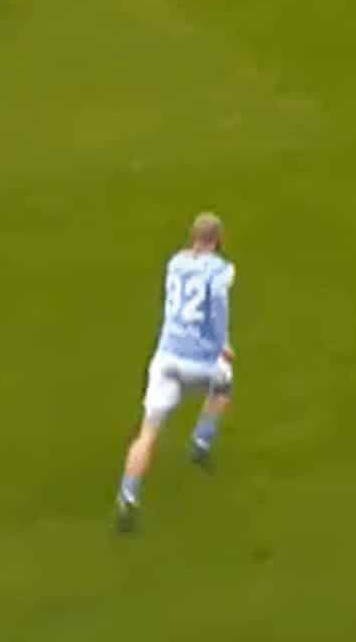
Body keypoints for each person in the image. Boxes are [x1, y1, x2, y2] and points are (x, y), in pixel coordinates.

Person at [117, 211, 235, 532]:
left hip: (166, 357)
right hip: (200, 361)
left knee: (147, 433)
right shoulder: (221, 270)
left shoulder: (175, 263)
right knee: (224, 384)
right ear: (218, 240)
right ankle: (201, 441)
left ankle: (127, 498)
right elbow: (218, 308)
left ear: (193, 237)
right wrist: (223, 344)